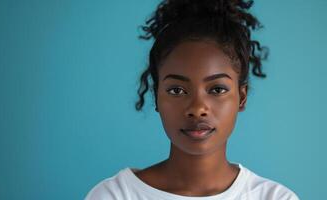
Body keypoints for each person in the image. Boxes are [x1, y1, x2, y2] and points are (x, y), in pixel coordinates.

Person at [85, 0, 299, 199]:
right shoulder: (116, 195)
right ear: (156, 96)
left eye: (216, 89)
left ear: (241, 98)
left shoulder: (275, 197)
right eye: (177, 90)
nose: (197, 108)